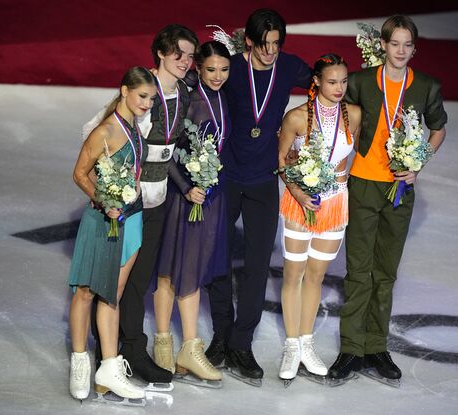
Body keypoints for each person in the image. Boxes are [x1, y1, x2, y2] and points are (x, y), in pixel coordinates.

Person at [327, 15, 447, 387]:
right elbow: (338, 120)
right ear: (382, 45)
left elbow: (438, 128)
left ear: (414, 48)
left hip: (400, 189)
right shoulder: (362, 82)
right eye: (394, 43)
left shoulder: (426, 86)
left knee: (386, 273)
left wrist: (419, 163)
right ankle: (351, 347)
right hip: (363, 183)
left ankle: (376, 347)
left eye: (406, 45)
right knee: (359, 271)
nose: (400, 51)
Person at [205, 8, 312, 387]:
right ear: (248, 41)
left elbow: (327, 82)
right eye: (264, 44)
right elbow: (198, 86)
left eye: (277, 43)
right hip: (226, 175)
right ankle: (220, 333)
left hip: (265, 178)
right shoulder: (232, 68)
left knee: (256, 262)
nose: (271, 51)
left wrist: (301, 140)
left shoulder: (289, 66)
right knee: (216, 254)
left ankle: (241, 341)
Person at [117, 24, 203, 390]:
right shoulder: (143, 89)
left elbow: (172, 145)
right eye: (178, 54)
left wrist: (187, 183)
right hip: (130, 198)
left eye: (189, 55)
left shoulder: (183, 92)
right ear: (161, 54)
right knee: (122, 278)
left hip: (159, 197)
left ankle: (129, 348)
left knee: (140, 278)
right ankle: (121, 350)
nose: (185, 61)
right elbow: (118, 136)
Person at [68, 66, 156, 404]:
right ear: (124, 91)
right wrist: (104, 201)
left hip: (131, 219)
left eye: (150, 98)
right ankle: (80, 361)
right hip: (102, 222)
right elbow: (79, 173)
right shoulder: (105, 131)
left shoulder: (134, 125)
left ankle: (108, 366)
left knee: (113, 294)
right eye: (142, 96)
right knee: (87, 292)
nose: (147, 103)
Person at [150, 41, 232, 389]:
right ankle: (163, 344)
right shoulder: (188, 100)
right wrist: (186, 187)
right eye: (211, 69)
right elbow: (166, 151)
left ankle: (189, 348)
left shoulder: (223, 98)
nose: (217, 76)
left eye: (224, 70)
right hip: (181, 198)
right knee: (169, 269)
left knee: (195, 269)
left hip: (209, 198)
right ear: (198, 67)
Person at [277, 54, 360, 386]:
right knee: (293, 275)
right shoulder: (296, 118)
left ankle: (307, 345)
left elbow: (353, 158)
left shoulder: (354, 115)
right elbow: (282, 162)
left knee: (316, 276)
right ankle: (290, 346)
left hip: (336, 205)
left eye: (343, 81)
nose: (339, 88)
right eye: (331, 82)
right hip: (300, 203)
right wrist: (298, 192)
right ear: (316, 82)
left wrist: (338, 186)